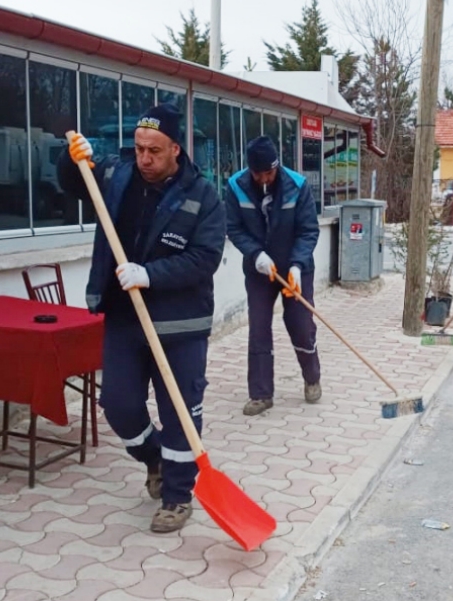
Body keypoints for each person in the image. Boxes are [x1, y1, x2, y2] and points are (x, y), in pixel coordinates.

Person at [58, 103, 225, 533]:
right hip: (123, 317)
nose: (144, 159)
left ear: (175, 148)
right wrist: (72, 158)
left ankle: (176, 496)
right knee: (118, 404)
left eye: (153, 151)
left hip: (180, 326)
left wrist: (151, 274)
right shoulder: (117, 175)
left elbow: (205, 259)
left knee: (180, 412)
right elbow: (75, 184)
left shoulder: (203, 195)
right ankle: (153, 458)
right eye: (138, 149)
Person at [225, 136, 322, 416]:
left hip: (294, 268)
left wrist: (296, 265)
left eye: (269, 172)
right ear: (250, 170)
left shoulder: (297, 185)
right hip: (259, 270)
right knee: (258, 328)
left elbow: (308, 230)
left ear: (277, 166)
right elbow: (234, 228)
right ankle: (261, 393)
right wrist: (256, 255)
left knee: (300, 324)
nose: (264, 178)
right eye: (258, 173)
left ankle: (312, 376)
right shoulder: (235, 187)